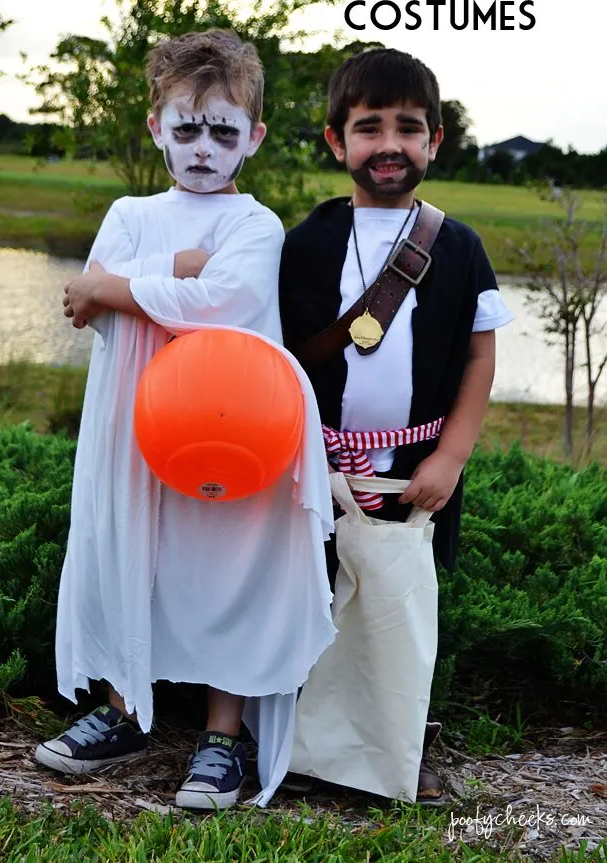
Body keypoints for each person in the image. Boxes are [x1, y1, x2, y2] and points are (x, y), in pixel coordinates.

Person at [34, 29, 336, 810]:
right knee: (127, 548)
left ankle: (222, 736)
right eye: (186, 127)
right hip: (134, 420)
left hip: (234, 426)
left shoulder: (255, 225)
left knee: (227, 563)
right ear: (156, 127)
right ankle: (126, 707)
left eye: (224, 131)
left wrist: (128, 283)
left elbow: (221, 303)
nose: (203, 148)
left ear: (254, 138)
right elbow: (89, 308)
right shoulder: (131, 210)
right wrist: (173, 268)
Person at [278, 47, 513, 801]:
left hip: (418, 475)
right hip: (315, 471)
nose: (389, 144)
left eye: (409, 128)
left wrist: (451, 455)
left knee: (399, 609)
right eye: (368, 126)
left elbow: (480, 358)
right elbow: (271, 357)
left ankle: (390, 749)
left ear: (435, 141)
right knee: (311, 601)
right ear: (335, 141)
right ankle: (297, 745)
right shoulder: (304, 244)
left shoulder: (460, 247)